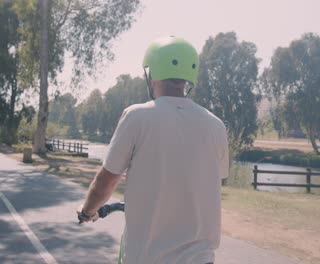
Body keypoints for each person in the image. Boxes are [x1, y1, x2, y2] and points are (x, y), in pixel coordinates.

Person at [77, 36, 229, 264]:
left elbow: (106, 182)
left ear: (151, 73)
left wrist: (87, 211)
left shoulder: (137, 116)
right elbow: (213, 182)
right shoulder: (216, 125)